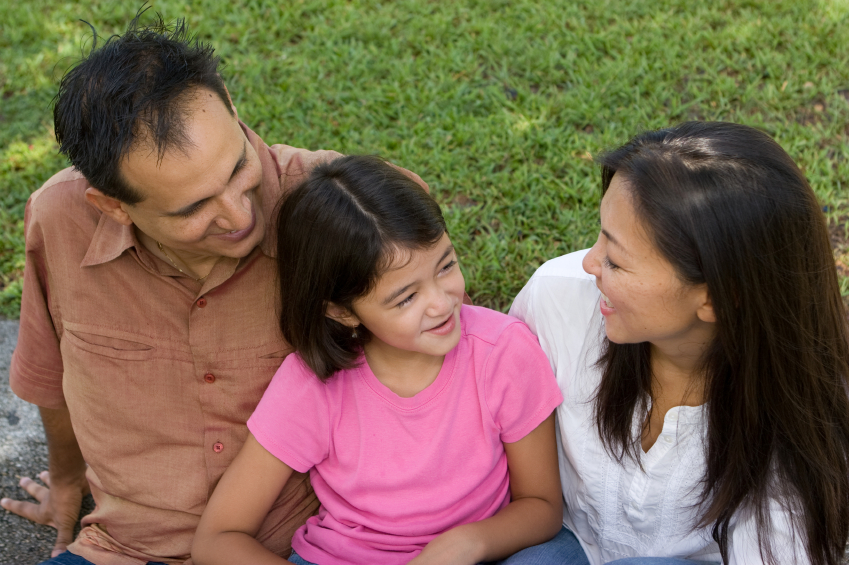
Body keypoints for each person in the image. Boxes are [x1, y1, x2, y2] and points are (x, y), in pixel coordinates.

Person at [1, 12, 430, 565]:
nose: (239, 214)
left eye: (237, 168)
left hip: (318, 546)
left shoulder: (348, 212)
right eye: (194, 208)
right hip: (125, 549)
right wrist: (66, 482)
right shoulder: (57, 221)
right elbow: (52, 376)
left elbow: (445, 376)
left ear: (229, 102)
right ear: (112, 206)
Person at [190, 155, 565, 565]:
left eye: (446, 266)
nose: (442, 304)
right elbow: (218, 538)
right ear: (342, 311)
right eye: (406, 297)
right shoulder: (312, 384)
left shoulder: (504, 353)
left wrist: (464, 545)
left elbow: (542, 507)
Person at [509, 121, 849, 565]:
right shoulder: (557, 299)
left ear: (717, 298)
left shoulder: (804, 411)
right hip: (565, 540)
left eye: (615, 260)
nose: (590, 263)